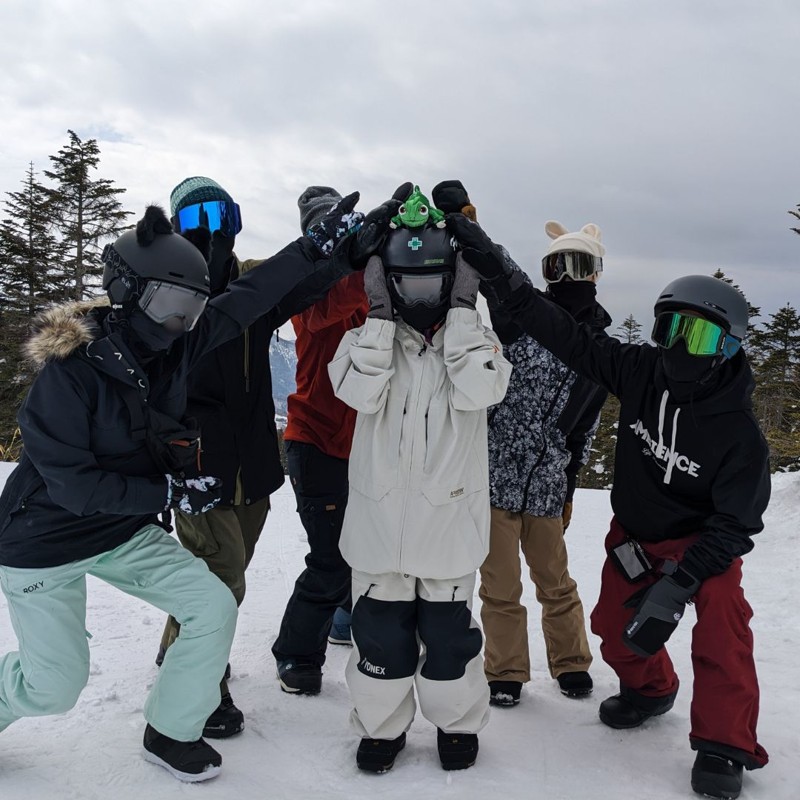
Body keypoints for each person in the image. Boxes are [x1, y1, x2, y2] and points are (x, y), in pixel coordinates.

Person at [0, 197, 395, 782]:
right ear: (128, 292)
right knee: (55, 686)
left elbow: (252, 296)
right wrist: (168, 493)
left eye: (190, 308)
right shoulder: (71, 373)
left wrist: (320, 251)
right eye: (168, 305)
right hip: (44, 541)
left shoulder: (175, 346)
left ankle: (171, 728)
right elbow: (74, 487)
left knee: (211, 605)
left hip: (120, 533)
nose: (178, 323)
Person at [447, 212, 770, 800]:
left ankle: (724, 745)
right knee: (613, 631)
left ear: (727, 348)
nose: (680, 348)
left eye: (698, 338)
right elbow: (559, 331)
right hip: (636, 535)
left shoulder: (739, 434)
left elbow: (738, 523)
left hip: (704, 546)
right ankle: (650, 689)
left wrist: (683, 582)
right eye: (670, 329)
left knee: (722, 632)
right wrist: (491, 261)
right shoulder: (641, 372)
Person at [328, 186, 512, 774]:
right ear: (387, 284)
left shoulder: (475, 342)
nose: (419, 298)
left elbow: (483, 389)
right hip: (379, 529)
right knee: (380, 640)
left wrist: (462, 315)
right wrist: (380, 321)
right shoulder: (365, 340)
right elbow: (357, 391)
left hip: (448, 528)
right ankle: (381, 727)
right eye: (406, 285)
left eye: (432, 285)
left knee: (450, 645)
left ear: (453, 282)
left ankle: (457, 724)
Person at [156, 176, 335, 734]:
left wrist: (351, 247)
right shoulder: (165, 294)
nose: (211, 232)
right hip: (199, 466)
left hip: (252, 464)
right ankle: (196, 686)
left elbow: (306, 284)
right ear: (175, 229)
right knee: (220, 579)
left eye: (221, 216)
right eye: (195, 220)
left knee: (220, 575)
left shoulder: (255, 283)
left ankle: (181, 649)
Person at [479, 217, 611, 707]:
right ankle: (506, 670)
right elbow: (498, 277)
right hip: (496, 477)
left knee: (555, 581)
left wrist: (569, 486)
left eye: (578, 265)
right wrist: (473, 231)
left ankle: (571, 661)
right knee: (500, 585)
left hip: (547, 485)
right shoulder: (523, 317)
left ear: (595, 273)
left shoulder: (598, 348)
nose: (566, 277)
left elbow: (583, 429)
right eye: (556, 266)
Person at [271, 185, 376, 693]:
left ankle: (344, 619)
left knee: (364, 549)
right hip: (315, 443)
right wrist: (364, 264)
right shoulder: (306, 290)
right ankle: (295, 654)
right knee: (330, 560)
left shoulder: (361, 288)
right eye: (324, 228)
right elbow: (323, 310)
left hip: (362, 445)